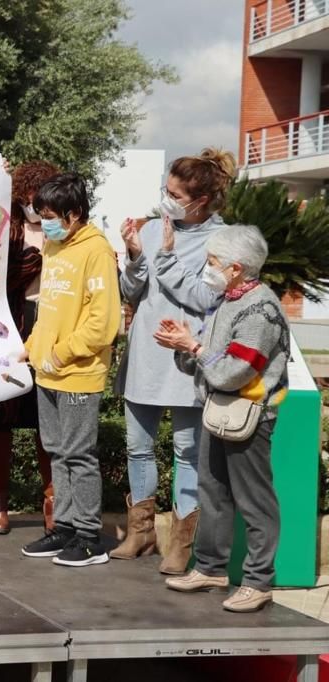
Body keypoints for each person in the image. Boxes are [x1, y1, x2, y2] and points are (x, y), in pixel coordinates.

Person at [112, 148, 237, 573]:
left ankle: (181, 544)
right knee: (137, 447)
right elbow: (132, 294)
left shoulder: (223, 241)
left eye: (173, 193)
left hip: (186, 360)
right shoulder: (150, 230)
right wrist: (132, 255)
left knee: (187, 451)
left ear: (199, 201)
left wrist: (164, 256)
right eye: (164, 190)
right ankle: (141, 532)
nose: (165, 199)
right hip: (145, 354)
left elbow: (204, 298)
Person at [158, 224, 289, 613]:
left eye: (213, 262)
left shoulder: (261, 309)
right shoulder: (226, 300)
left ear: (236, 267)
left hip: (249, 416)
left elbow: (234, 371)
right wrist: (184, 344)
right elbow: (206, 363)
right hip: (218, 412)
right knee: (212, 492)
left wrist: (193, 345)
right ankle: (211, 568)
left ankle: (259, 581)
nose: (208, 268)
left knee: (255, 500)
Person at [19, 173, 120, 568]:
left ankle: (90, 537)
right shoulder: (54, 247)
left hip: (78, 373)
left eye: (48, 215)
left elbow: (103, 322)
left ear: (73, 214)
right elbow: (49, 310)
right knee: (57, 451)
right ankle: (63, 527)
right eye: (40, 214)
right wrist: (29, 350)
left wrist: (62, 354)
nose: (43, 222)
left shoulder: (96, 250)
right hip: (47, 372)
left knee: (79, 454)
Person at [0, 160, 58, 535]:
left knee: (47, 418)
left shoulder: (63, 228)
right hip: (7, 327)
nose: (34, 204)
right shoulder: (4, 227)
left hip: (50, 324)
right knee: (0, 417)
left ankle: (52, 500)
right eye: (29, 196)